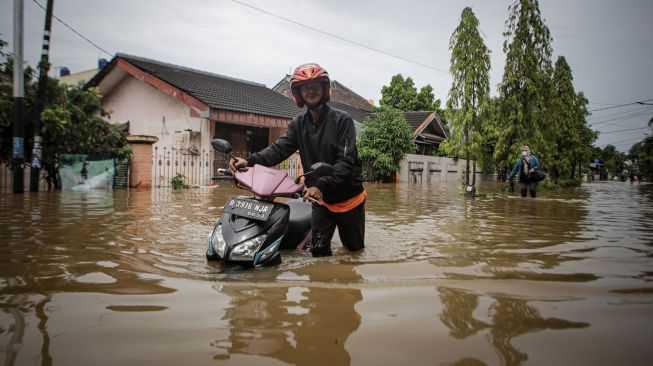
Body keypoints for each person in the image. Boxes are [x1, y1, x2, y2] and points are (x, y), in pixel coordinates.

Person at [229, 63, 366, 257]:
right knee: (318, 253)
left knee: (354, 253)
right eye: (305, 88)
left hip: (349, 199)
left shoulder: (343, 120)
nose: (311, 91)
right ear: (298, 93)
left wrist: (321, 186)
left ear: (324, 89)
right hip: (321, 201)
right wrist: (249, 161)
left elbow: (345, 162)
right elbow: (278, 150)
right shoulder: (297, 124)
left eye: (315, 86)